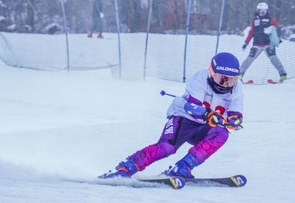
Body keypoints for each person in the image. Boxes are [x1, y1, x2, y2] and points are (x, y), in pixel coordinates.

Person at [100, 52, 244, 180]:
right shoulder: (201, 77)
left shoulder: (237, 89)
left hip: (204, 127)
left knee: (222, 133)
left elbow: (236, 112)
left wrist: (234, 120)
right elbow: (191, 107)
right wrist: (207, 114)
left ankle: (183, 167)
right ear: (211, 73)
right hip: (183, 119)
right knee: (166, 148)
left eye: (231, 80)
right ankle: (126, 167)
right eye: (221, 78)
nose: (226, 84)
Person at [240, 2, 287, 82]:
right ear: (258, 11)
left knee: (274, 59)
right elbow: (251, 32)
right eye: (261, 11)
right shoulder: (254, 21)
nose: (262, 13)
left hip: (268, 44)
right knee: (249, 59)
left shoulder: (271, 20)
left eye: (264, 11)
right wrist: (246, 43)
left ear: (267, 11)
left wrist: (275, 36)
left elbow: (277, 30)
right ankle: (239, 75)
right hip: (257, 44)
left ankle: (283, 75)